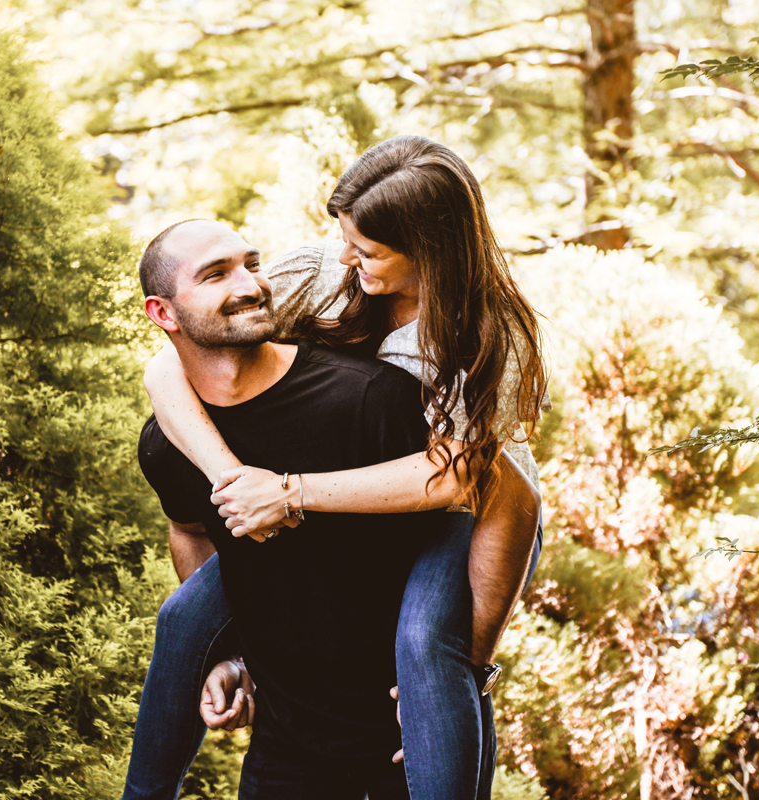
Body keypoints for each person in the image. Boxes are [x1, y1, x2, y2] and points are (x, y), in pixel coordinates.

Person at [130, 135, 548, 800]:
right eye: (346, 237)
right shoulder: (324, 272)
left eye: (370, 250)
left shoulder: (490, 337)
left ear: (431, 251)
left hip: (469, 519)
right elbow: (169, 359)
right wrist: (237, 483)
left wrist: (290, 493)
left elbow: (460, 481)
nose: (348, 257)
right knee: (184, 619)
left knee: (425, 654)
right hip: (331, 498)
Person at [134, 218, 443, 798]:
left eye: (251, 263)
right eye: (216, 275)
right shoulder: (168, 443)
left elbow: (453, 545)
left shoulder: (369, 399)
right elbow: (191, 532)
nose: (251, 285)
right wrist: (234, 659)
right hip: (284, 753)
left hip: (403, 745)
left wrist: (445, 690)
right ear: (163, 314)